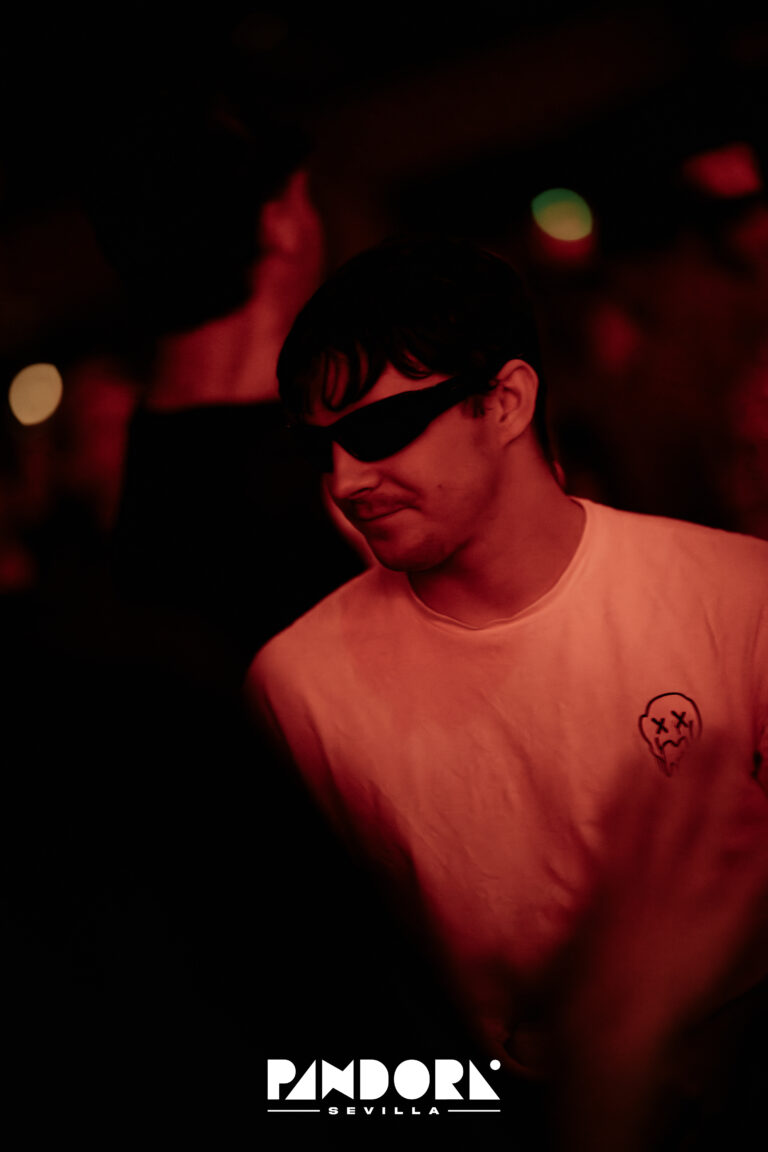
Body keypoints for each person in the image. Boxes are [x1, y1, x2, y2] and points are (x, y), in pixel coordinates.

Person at [247, 235, 768, 1149]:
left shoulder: (738, 595)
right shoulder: (295, 686)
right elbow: (305, 1039)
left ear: (506, 401)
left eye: (379, 430)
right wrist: (497, 1111)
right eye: (321, 446)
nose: (345, 480)